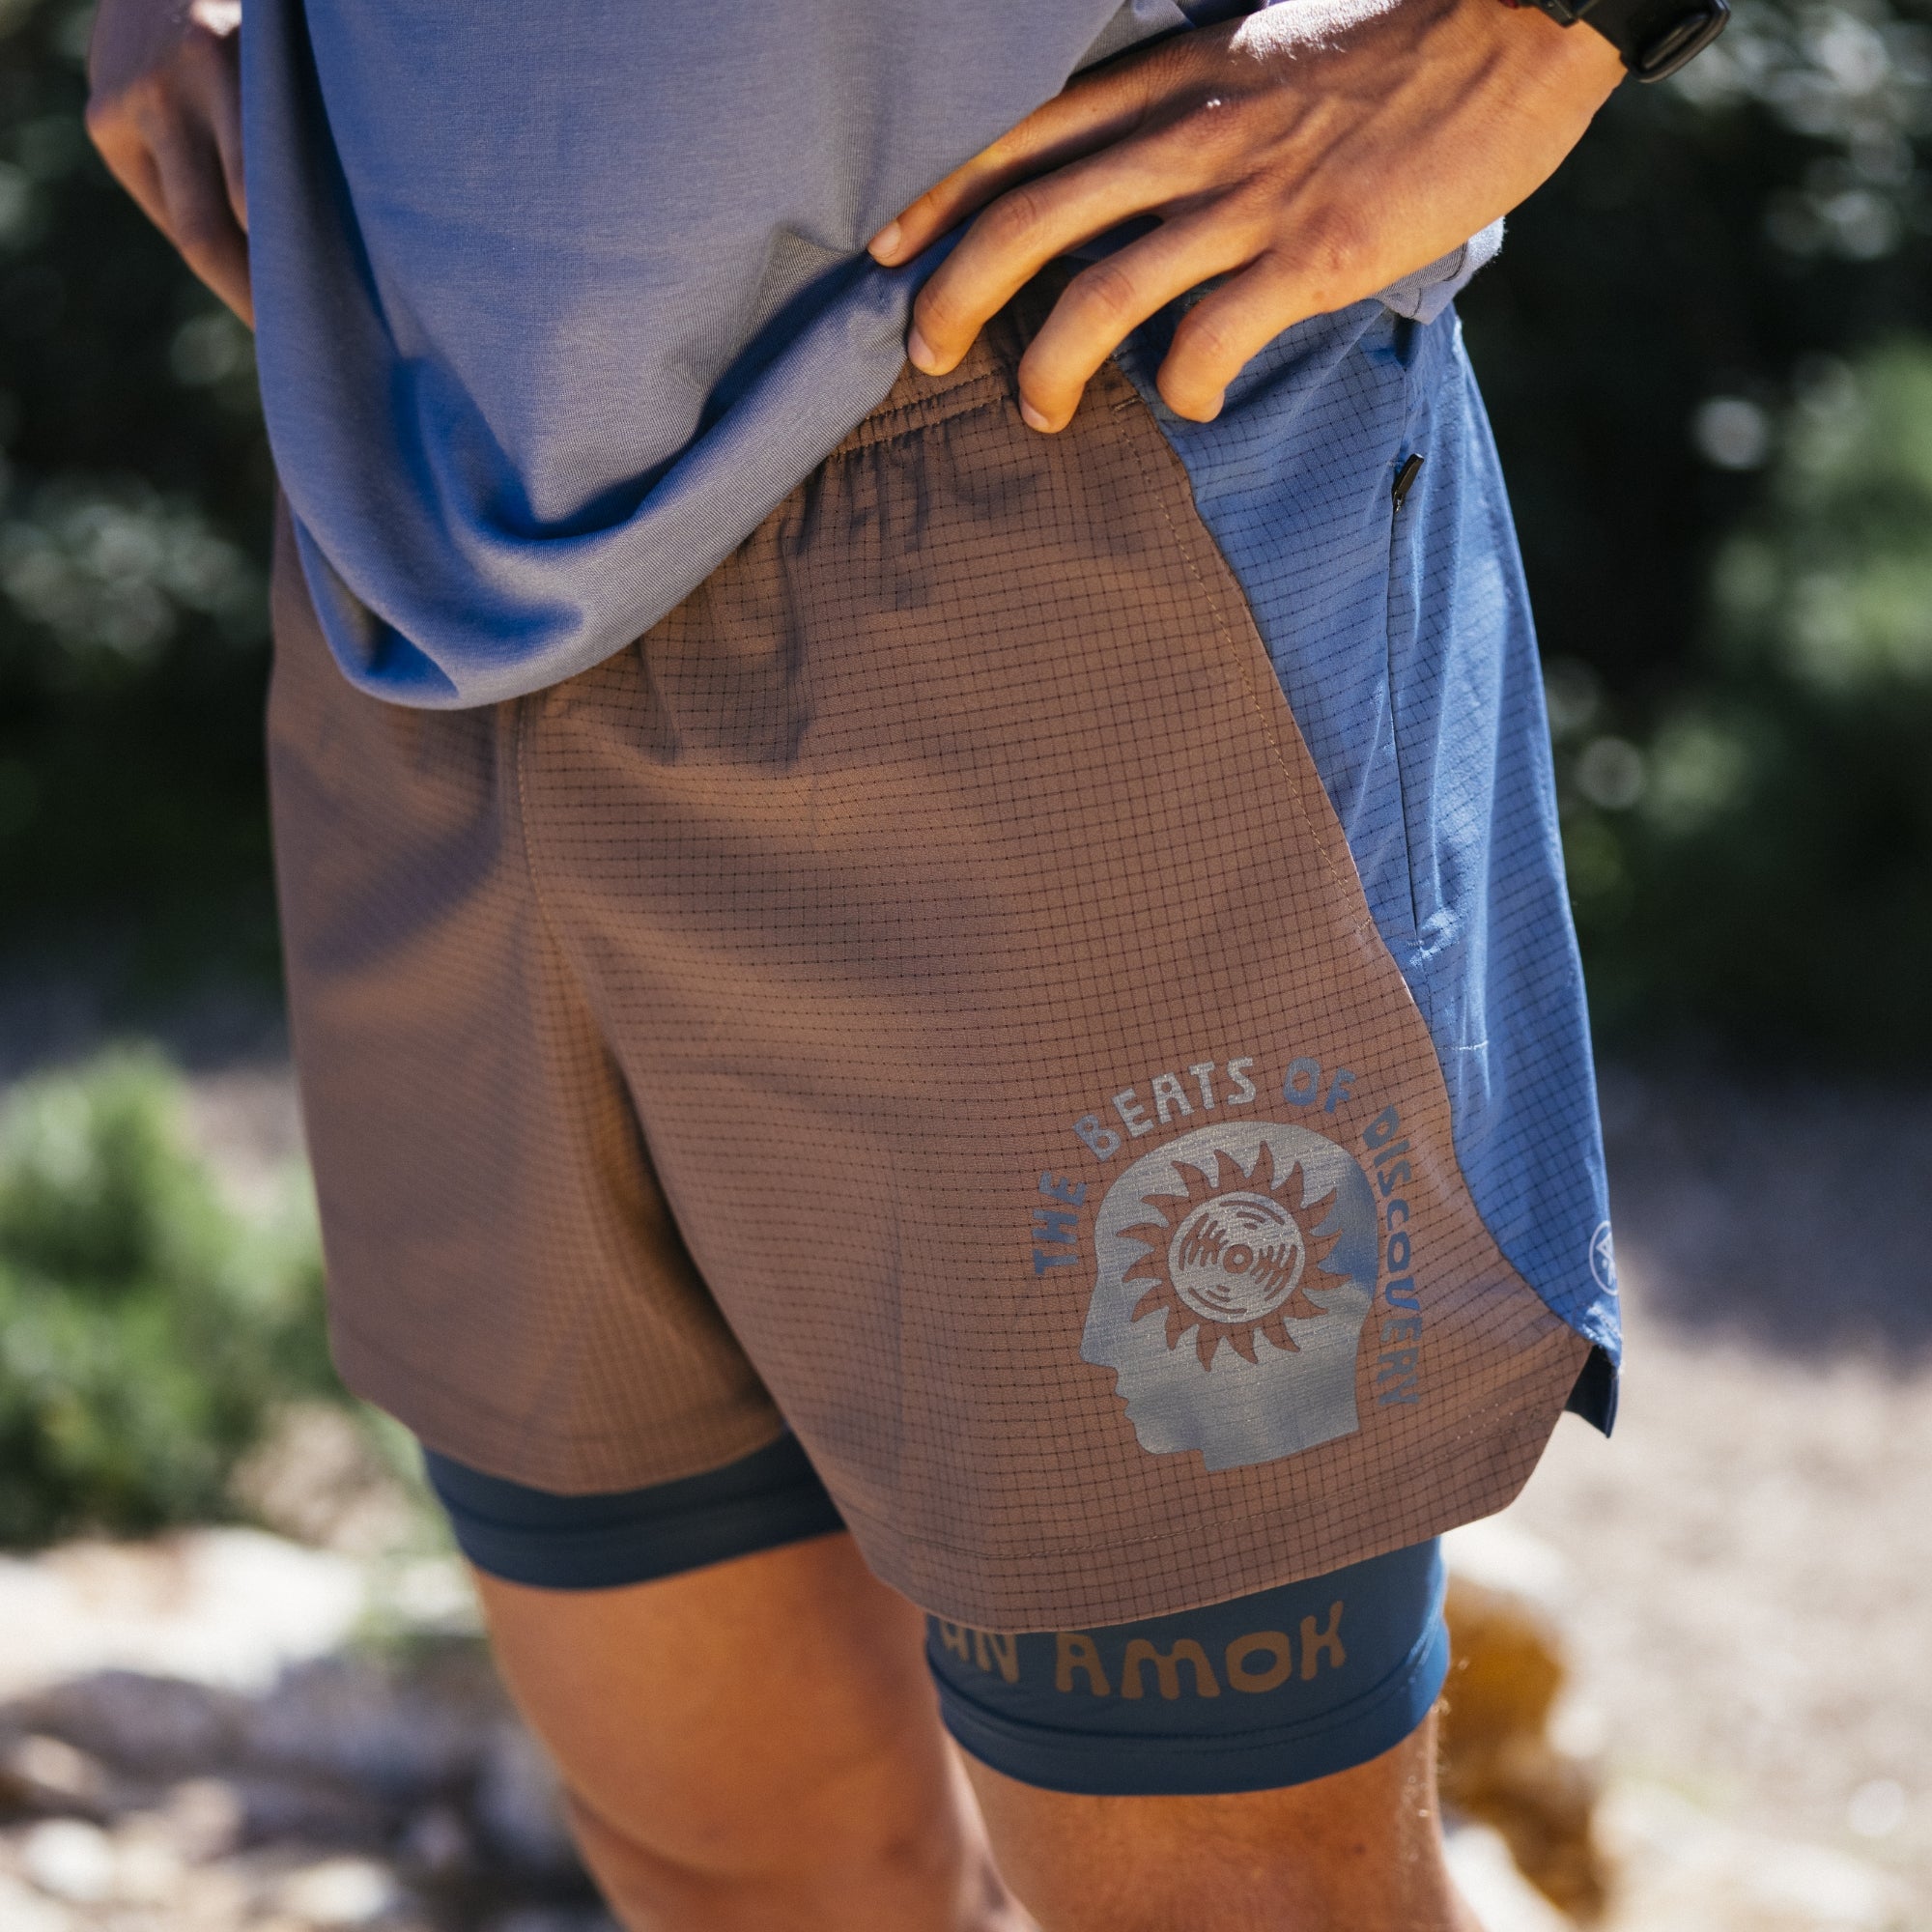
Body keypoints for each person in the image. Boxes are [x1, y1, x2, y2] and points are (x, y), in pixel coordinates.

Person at [85, 0, 1658, 1924]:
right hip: (409, 519)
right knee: (724, 1863)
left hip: (1072, 442)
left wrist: (1562, 26)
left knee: (1227, 1880)